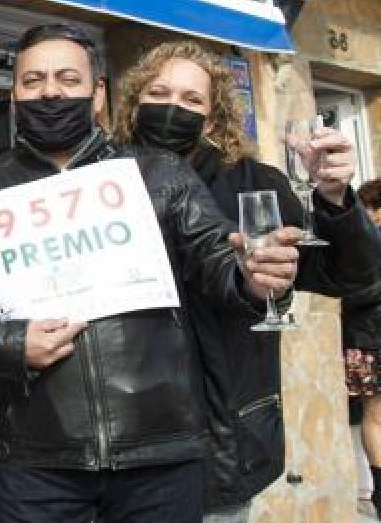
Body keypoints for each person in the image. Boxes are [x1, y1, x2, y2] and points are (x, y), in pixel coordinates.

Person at [0, 23, 301, 523]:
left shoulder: (159, 173)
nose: (51, 91)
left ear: (97, 95)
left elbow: (215, 255)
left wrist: (251, 277)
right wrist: (8, 342)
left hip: (161, 458)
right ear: (15, 95)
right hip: (37, 460)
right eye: (33, 80)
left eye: (68, 79)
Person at [110, 40, 381, 523]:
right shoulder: (100, 185)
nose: (172, 107)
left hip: (224, 438)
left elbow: (347, 274)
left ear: (212, 120)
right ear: (134, 104)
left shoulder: (256, 183)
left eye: (191, 99)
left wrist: (337, 200)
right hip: (125, 441)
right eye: (159, 93)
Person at [343, 180, 381, 517]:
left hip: (367, 335)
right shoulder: (356, 242)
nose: (371, 213)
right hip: (368, 339)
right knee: (376, 416)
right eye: (368, 205)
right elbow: (351, 293)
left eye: (375, 205)